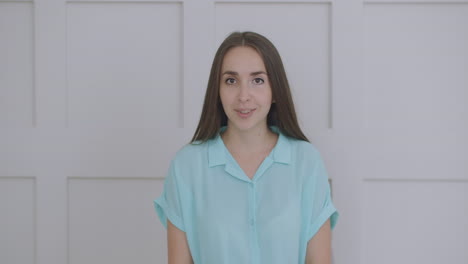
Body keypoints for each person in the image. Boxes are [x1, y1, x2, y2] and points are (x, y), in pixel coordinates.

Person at [154, 31, 338, 264]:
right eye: (231, 80)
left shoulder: (306, 162)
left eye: (257, 80)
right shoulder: (187, 166)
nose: (243, 96)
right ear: (217, 91)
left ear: (275, 91)